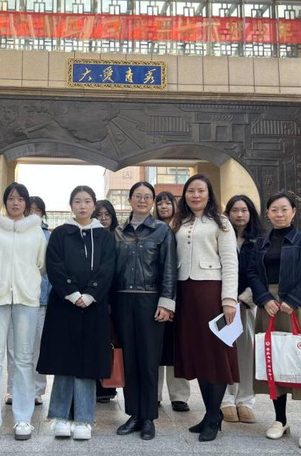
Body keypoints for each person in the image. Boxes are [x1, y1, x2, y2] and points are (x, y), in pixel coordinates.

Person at [248, 191, 301, 450]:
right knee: (274, 361)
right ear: (267, 213)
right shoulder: (261, 243)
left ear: (294, 212)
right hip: (270, 308)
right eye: (274, 209)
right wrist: (264, 298)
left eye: (284, 209)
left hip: (300, 308)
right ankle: (280, 420)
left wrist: (293, 299)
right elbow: (252, 272)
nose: (279, 214)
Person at [37, 186, 116, 440]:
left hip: (94, 306)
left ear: (94, 205)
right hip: (64, 305)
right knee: (64, 360)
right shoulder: (60, 234)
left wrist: (91, 294)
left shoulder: (104, 236)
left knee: (88, 363)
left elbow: (108, 267)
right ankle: (60, 416)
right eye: (78, 201)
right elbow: (54, 265)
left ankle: (84, 419)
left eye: (87, 201)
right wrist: (71, 293)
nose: (83, 206)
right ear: (71, 205)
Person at [0, 182, 47, 442]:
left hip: (26, 301)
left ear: (26, 203)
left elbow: (41, 265)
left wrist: (25, 282)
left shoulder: (35, 231)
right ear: (5, 202)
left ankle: (23, 418)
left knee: (24, 360)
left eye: (20, 199)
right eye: (11, 198)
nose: (15, 203)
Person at [172, 174, 239, 443]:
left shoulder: (221, 222)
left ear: (209, 194)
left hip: (211, 293)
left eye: (201, 190)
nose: (196, 195)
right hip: (185, 293)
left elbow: (230, 262)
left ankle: (213, 416)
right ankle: (210, 414)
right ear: (185, 195)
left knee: (215, 354)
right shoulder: (179, 222)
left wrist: (229, 300)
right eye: (191, 191)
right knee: (197, 354)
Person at [113, 182, 177, 441]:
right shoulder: (118, 231)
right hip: (122, 301)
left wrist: (166, 302)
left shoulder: (162, 230)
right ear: (130, 200)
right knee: (129, 360)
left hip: (151, 302)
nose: (142, 200)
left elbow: (169, 267)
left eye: (147, 196)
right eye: (137, 196)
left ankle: (148, 417)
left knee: (149, 361)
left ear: (152, 202)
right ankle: (134, 414)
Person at [220, 195, 264, 424]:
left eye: (244, 210)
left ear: (251, 213)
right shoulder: (221, 236)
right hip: (222, 305)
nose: (239, 214)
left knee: (247, 353)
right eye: (234, 210)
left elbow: (262, 274)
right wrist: (226, 300)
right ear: (227, 214)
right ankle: (226, 399)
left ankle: (245, 400)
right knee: (224, 352)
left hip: (247, 305)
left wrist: (244, 300)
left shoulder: (260, 241)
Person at [5, 196, 51, 406]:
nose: (33, 214)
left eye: (37, 210)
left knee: (38, 348)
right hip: (14, 299)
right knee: (14, 348)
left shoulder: (48, 236)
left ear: (42, 213)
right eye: (30, 210)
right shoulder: (14, 234)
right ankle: (13, 389)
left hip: (40, 300)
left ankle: (37, 390)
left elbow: (49, 270)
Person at [154, 191, 191, 413]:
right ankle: (155, 394)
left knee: (179, 346)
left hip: (182, 290)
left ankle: (179, 396)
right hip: (156, 292)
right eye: (160, 203)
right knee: (157, 346)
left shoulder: (184, 227)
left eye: (168, 202)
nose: (164, 206)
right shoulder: (152, 228)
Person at [92, 199, 119, 403]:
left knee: (110, 343)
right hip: (92, 296)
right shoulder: (89, 237)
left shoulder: (119, 237)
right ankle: (94, 386)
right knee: (94, 342)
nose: (103, 218)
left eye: (107, 215)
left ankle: (107, 388)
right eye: (99, 215)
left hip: (114, 298)